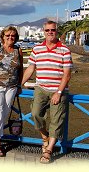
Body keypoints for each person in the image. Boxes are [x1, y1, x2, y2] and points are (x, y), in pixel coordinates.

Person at [21, 20, 72, 164]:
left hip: (59, 90)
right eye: (47, 30)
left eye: (53, 30)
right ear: (44, 32)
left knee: (56, 120)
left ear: (57, 32)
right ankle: (45, 137)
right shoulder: (37, 49)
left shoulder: (64, 50)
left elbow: (67, 74)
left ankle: (48, 150)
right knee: (35, 113)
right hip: (41, 88)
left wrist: (59, 92)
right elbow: (31, 68)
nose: (50, 32)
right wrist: (21, 83)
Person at [0, 26, 23, 157]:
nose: (10, 38)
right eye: (7, 35)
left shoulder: (18, 50)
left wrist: (19, 85)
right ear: (3, 37)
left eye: (13, 36)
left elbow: (21, 69)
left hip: (12, 87)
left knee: (4, 113)